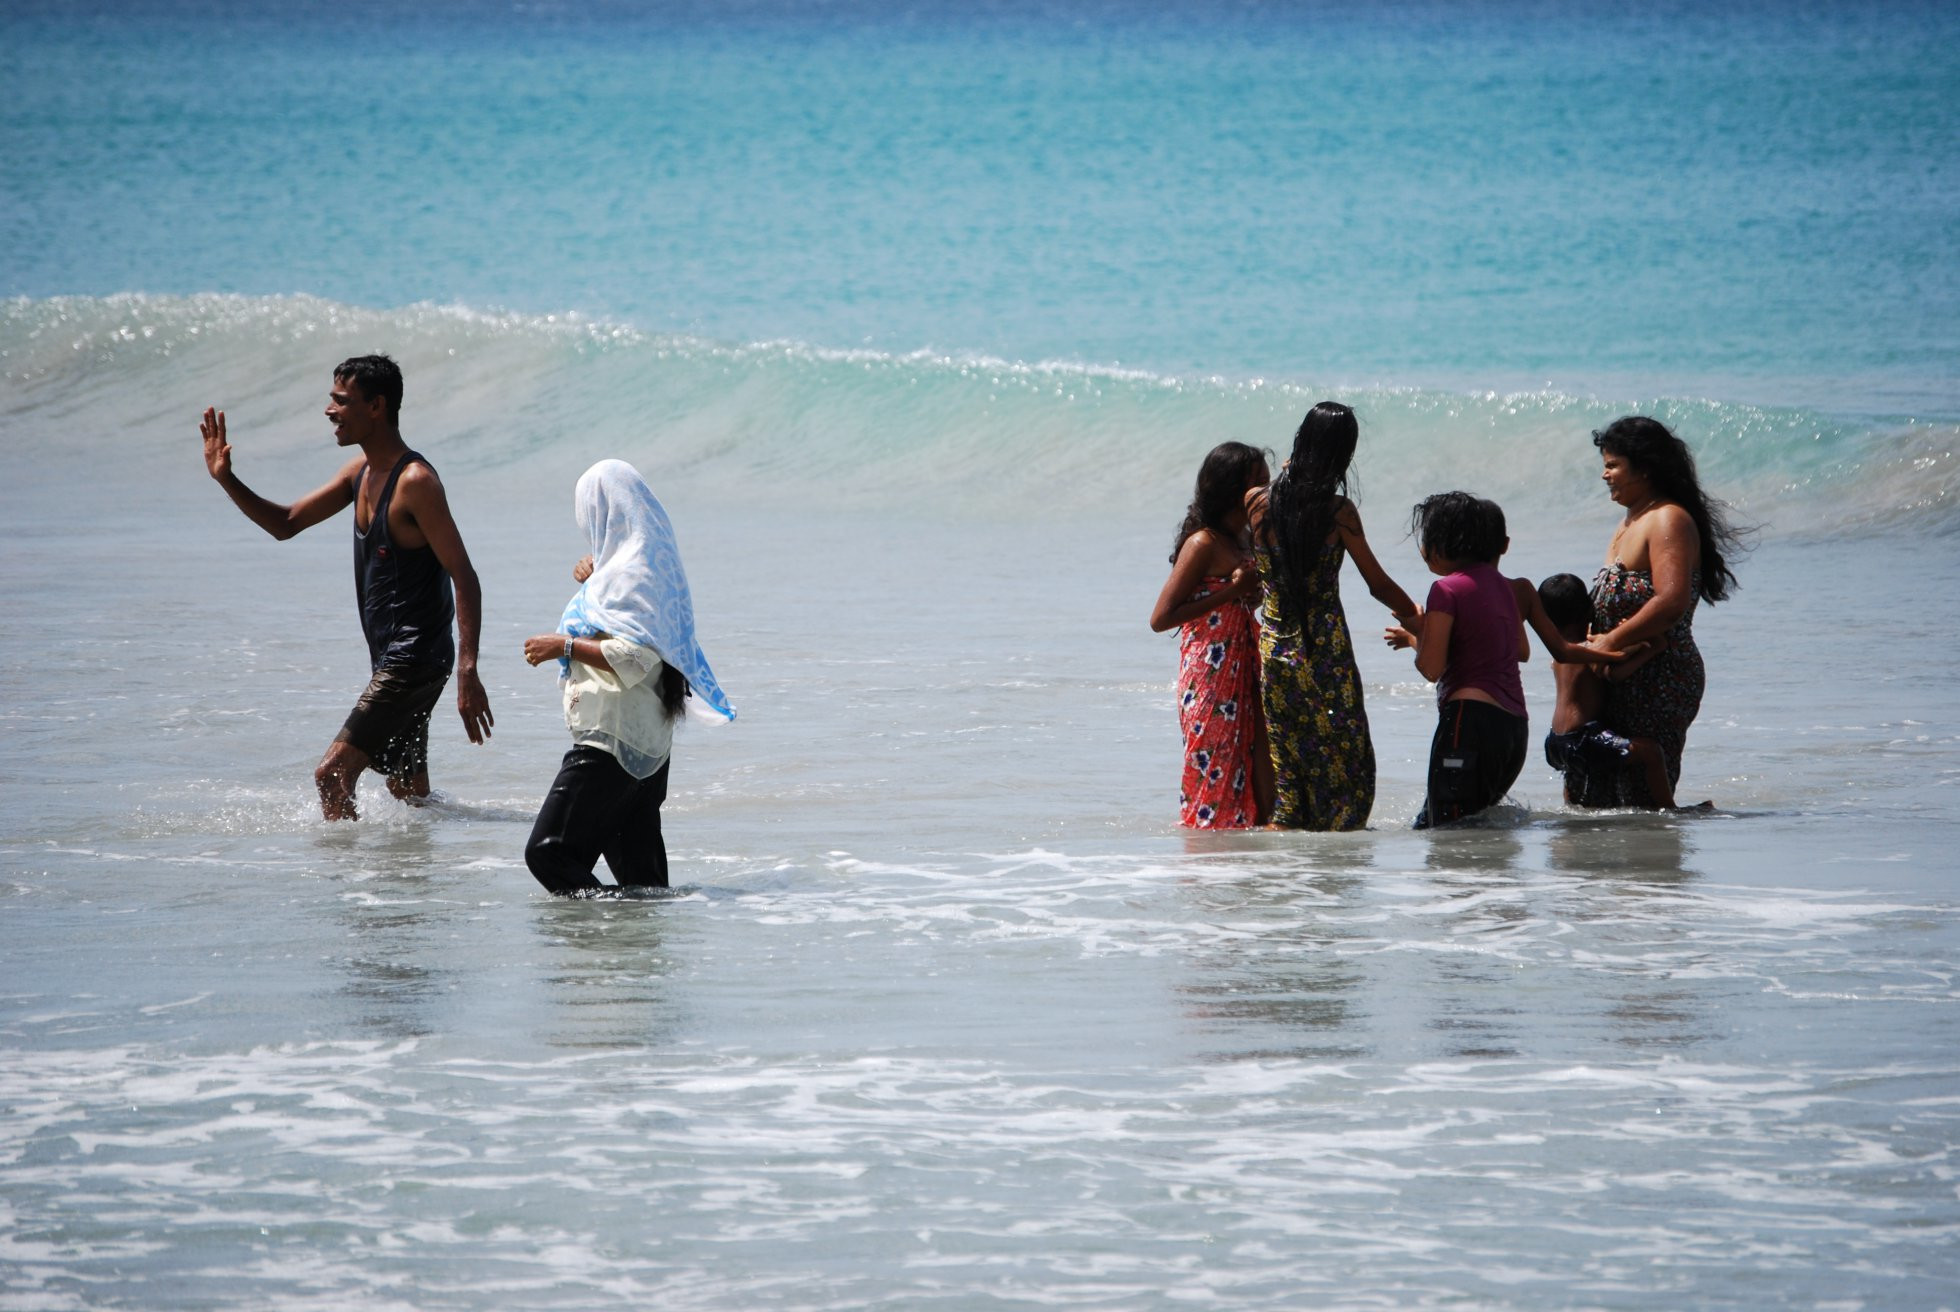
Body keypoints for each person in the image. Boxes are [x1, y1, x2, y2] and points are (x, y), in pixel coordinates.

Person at [200, 355, 492, 820]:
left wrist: (468, 670)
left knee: (332, 775)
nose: (329, 410)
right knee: (409, 795)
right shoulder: (358, 474)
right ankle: (430, 884)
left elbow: (465, 576)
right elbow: (287, 523)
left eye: (341, 400)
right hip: (394, 657)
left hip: (413, 659)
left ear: (376, 406)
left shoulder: (415, 483)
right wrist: (226, 478)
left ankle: (353, 889)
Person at [522, 460, 734, 896]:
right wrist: (596, 572)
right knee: (646, 888)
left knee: (548, 854)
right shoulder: (648, 569)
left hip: (611, 747)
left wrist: (560, 646)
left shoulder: (628, 576)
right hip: (649, 753)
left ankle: (606, 928)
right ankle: (633, 955)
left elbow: (636, 659)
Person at [1248, 402, 1419, 830]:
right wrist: (1415, 614)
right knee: (1347, 758)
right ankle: (1338, 863)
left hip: (1274, 646)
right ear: (1342, 455)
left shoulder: (1256, 502)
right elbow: (1377, 583)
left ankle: (1289, 861)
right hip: (1324, 648)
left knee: (1288, 755)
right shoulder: (1338, 512)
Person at [1571, 416, 1746, 808]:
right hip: (1620, 676)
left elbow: (1671, 601)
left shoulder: (1669, 519)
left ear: (1645, 467)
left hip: (1660, 675)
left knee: (1643, 805)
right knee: (1605, 802)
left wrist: (1610, 642)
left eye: (1613, 465)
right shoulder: (1629, 520)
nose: (1604, 475)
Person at [1150, 440, 1273, 828]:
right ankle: (1207, 861)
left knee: (1255, 754)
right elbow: (1161, 617)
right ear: (1231, 489)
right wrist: (1235, 591)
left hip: (1244, 662)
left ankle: (1262, 846)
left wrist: (1247, 597)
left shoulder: (1244, 539)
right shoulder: (1203, 542)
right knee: (1215, 764)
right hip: (1209, 671)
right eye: (1258, 485)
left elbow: (1232, 605)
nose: (1266, 493)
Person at [1536, 572, 1676, 808]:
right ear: (1589, 610)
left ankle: (1572, 808)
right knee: (1651, 752)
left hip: (1555, 742)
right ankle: (1670, 809)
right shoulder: (1588, 648)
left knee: (1573, 770)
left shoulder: (1559, 655)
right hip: (1583, 738)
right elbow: (1614, 673)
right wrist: (1651, 647)